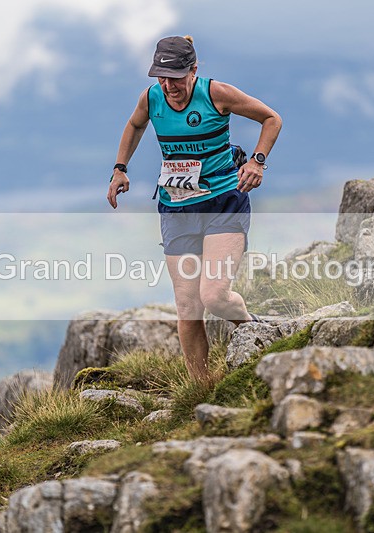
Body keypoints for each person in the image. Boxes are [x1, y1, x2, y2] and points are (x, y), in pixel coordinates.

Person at [107, 35, 282, 384]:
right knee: (188, 308)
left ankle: (254, 332)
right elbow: (135, 124)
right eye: (161, 77)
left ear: (194, 70)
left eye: (175, 77)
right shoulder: (151, 97)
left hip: (223, 203)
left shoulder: (216, 93)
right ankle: (202, 388)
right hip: (177, 208)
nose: (168, 86)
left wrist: (258, 162)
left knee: (214, 296)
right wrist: (120, 169)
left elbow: (271, 119)